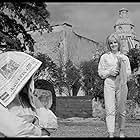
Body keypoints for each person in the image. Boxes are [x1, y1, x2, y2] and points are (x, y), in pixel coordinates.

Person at [0, 51, 57, 137]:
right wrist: (39, 131)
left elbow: (52, 122)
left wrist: (34, 119)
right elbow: (14, 129)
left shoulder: (28, 98)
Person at [98, 33, 131, 137]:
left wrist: (122, 69)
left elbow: (129, 73)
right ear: (109, 44)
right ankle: (111, 134)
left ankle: (122, 132)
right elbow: (100, 72)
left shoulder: (124, 57)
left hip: (121, 84)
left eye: (115, 42)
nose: (113, 44)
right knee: (110, 110)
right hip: (109, 84)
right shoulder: (104, 57)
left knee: (122, 110)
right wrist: (110, 72)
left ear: (118, 43)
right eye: (111, 43)